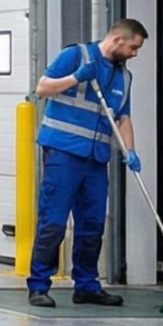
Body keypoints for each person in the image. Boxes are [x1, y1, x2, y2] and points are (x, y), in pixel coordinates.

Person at [27, 19, 148, 308]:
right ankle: (39, 286)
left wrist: (129, 150)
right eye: (133, 47)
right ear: (118, 39)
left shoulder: (124, 77)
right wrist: (77, 77)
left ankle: (87, 286)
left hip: (96, 158)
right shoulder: (76, 56)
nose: (135, 54)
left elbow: (122, 117)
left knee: (92, 224)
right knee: (53, 222)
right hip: (63, 154)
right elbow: (42, 88)